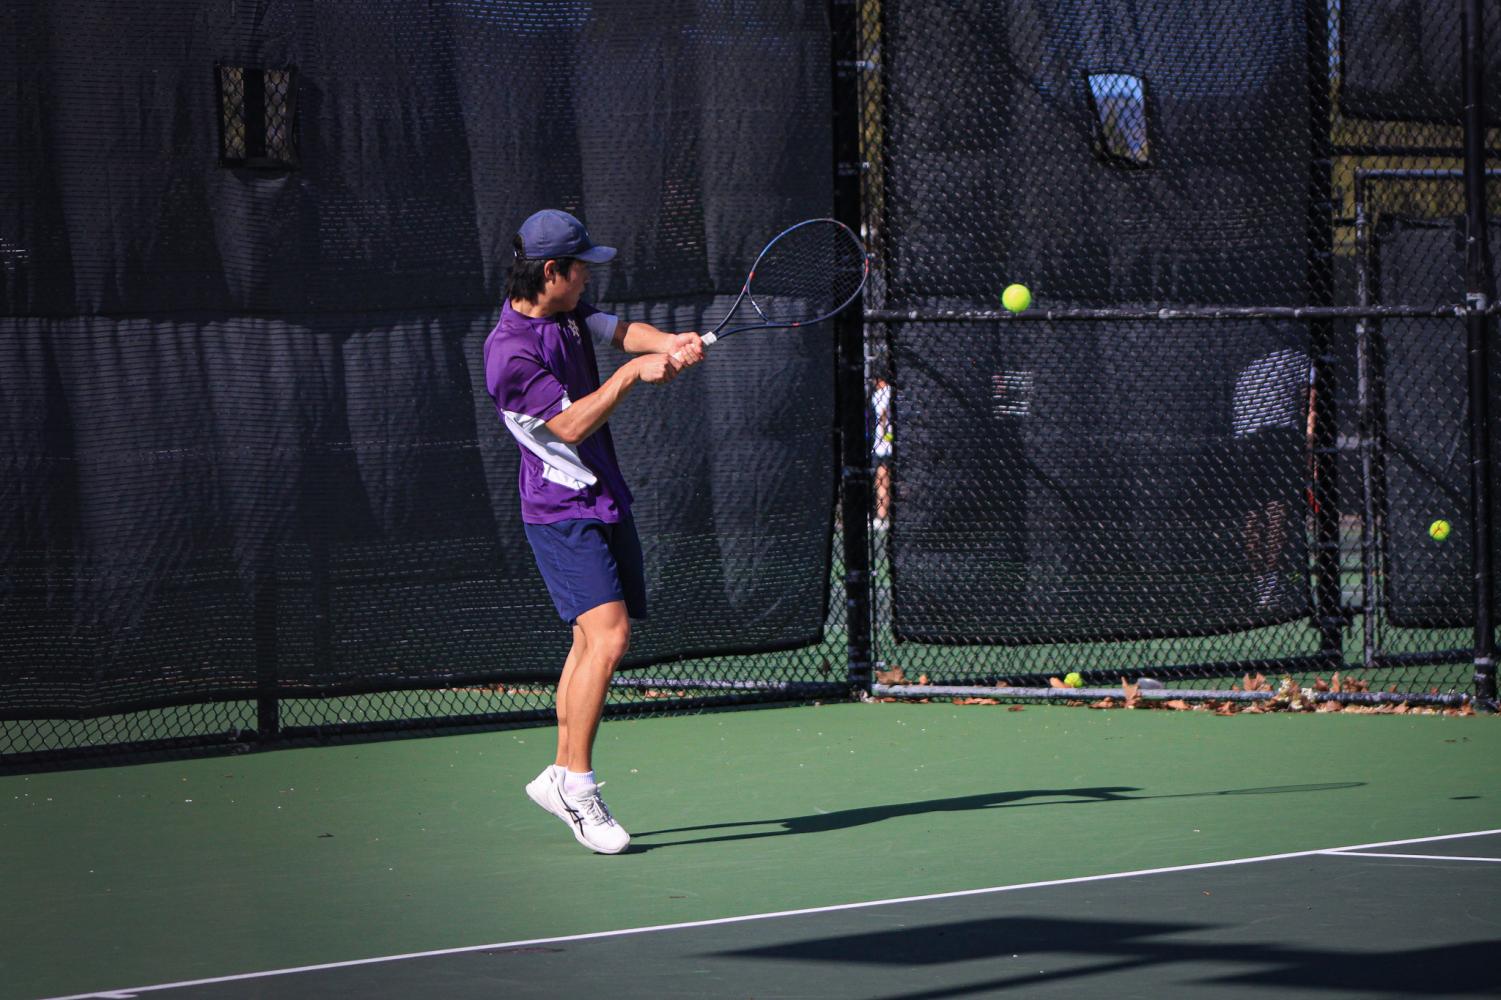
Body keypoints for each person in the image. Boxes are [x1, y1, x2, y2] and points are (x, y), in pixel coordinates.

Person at [483, 209, 704, 853]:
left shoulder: (567, 314)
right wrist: (635, 374)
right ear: (552, 272)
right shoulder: (511, 352)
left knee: (591, 643)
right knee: (608, 638)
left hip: (602, 497)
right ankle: (578, 788)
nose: (588, 279)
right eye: (580, 269)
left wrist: (665, 343)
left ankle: (560, 775)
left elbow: (621, 331)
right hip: (560, 510)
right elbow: (570, 427)